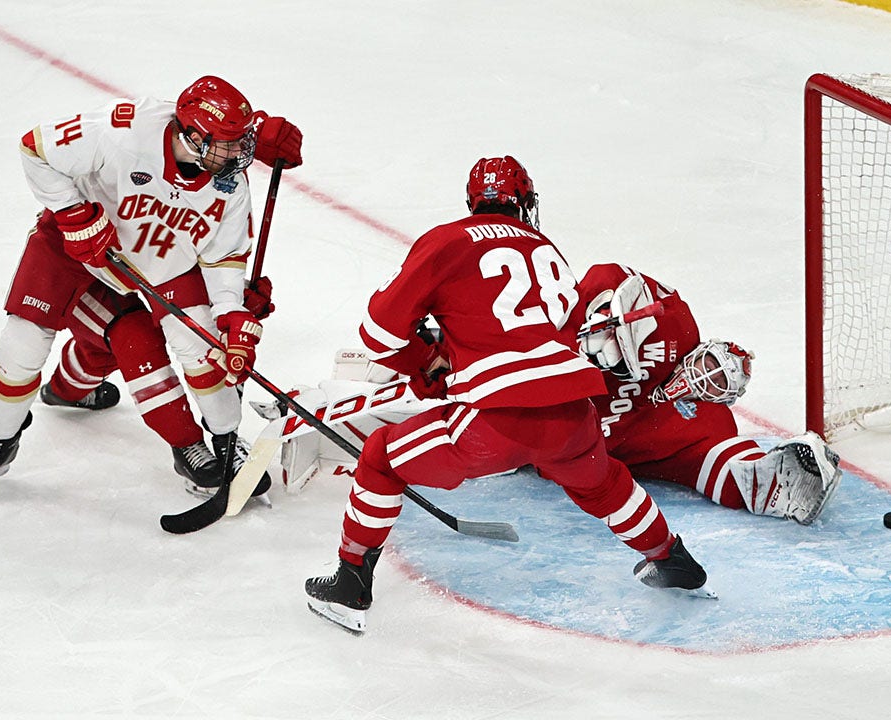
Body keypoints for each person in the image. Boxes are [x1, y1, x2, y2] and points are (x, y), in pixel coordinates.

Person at [302, 156, 709, 634]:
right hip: (573, 417)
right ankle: (671, 558)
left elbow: (377, 336)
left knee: (380, 458)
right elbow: (540, 336)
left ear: (474, 203)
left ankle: (350, 582)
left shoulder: (448, 240)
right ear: (525, 203)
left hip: (494, 422)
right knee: (602, 483)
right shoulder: (547, 248)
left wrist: (425, 361)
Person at [0, 75, 303, 497]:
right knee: (21, 343)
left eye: (240, 142)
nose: (237, 155)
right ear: (192, 133)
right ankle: (1, 441)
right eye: (226, 143)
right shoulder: (124, 129)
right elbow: (35, 147)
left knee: (204, 346)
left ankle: (225, 439)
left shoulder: (229, 185)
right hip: (75, 245)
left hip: (165, 262)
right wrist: (73, 213)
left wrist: (233, 314)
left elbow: (222, 260)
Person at [278, 263, 844, 525]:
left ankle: (328, 426)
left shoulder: (692, 414)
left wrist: (773, 473)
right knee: (433, 401)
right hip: (519, 402)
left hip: (553, 442)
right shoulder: (592, 290)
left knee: (437, 433)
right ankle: (316, 407)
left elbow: (717, 462)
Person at [573, 263, 843, 524]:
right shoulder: (676, 327)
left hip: (556, 448)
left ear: (721, 399)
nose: (705, 378)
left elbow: (733, 470)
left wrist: (778, 479)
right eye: (711, 366)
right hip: (543, 372)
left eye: (717, 383)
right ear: (701, 350)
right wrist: (604, 315)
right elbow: (609, 273)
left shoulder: (706, 423)